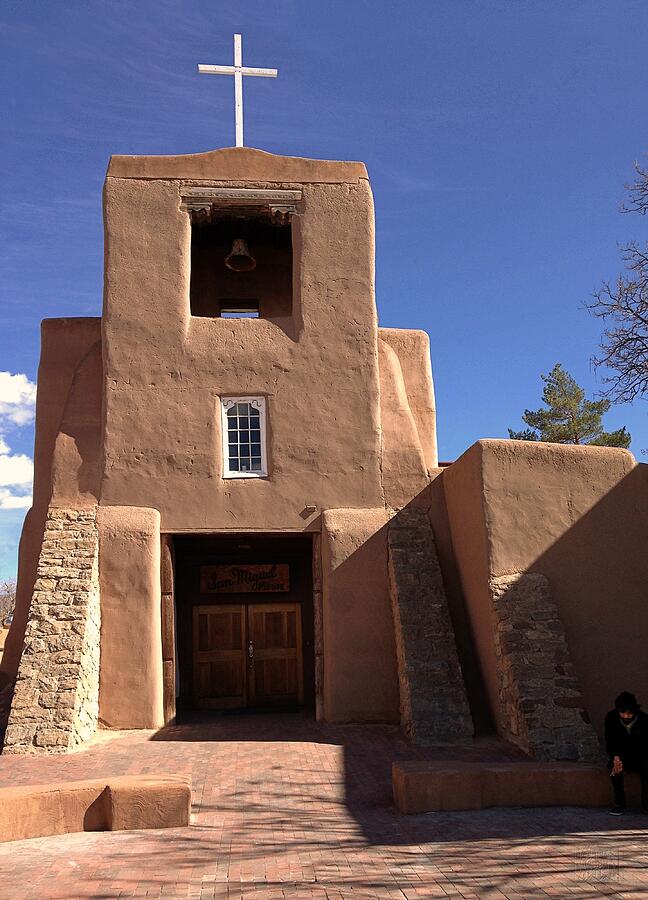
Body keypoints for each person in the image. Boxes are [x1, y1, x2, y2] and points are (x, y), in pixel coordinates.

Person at [605, 691, 648, 815]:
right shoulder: (611, 718)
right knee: (614, 769)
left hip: (640, 755)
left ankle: (646, 804)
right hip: (620, 755)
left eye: (629, 714)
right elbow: (610, 740)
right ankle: (619, 804)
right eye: (623, 713)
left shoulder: (644, 719)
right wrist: (615, 757)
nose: (626, 716)